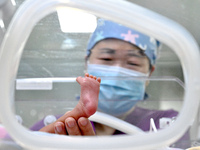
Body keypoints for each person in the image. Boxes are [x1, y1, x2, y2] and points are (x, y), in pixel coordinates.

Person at [31, 19, 189, 148]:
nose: (117, 72)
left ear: (149, 74)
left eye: (132, 63)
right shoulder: (57, 125)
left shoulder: (166, 125)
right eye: (106, 59)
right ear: (87, 64)